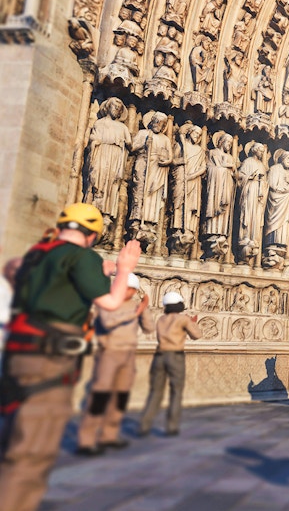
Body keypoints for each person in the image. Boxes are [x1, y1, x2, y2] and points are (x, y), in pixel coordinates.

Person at [0, 203, 141, 511]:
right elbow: (111, 302)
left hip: (19, 354)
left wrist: (101, 270)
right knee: (31, 453)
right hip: (50, 359)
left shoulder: (37, 253)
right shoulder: (82, 257)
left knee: (12, 437)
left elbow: (57, 281)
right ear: (93, 235)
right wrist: (125, 267)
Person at [76, 273, 153, 456]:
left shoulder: (135, 306)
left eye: (132, 289)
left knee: (121, 396)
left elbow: (149, 328)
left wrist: (144, 310)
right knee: (100, 396)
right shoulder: (107, 303)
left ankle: (109, 435)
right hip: (109, 353)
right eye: (126, 288)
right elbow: (108, 322)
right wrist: (135, 312)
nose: (129, 292)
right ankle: (86, 440)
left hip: (128, 355)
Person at [137, 292, 202, 437]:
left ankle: (144, 425)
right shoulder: (183, 319)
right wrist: (193, 322)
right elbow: (196, 335)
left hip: (159, 356)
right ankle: (171, 427)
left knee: (155, 392)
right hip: (175, 356)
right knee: (176, 392)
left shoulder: (161, 319)